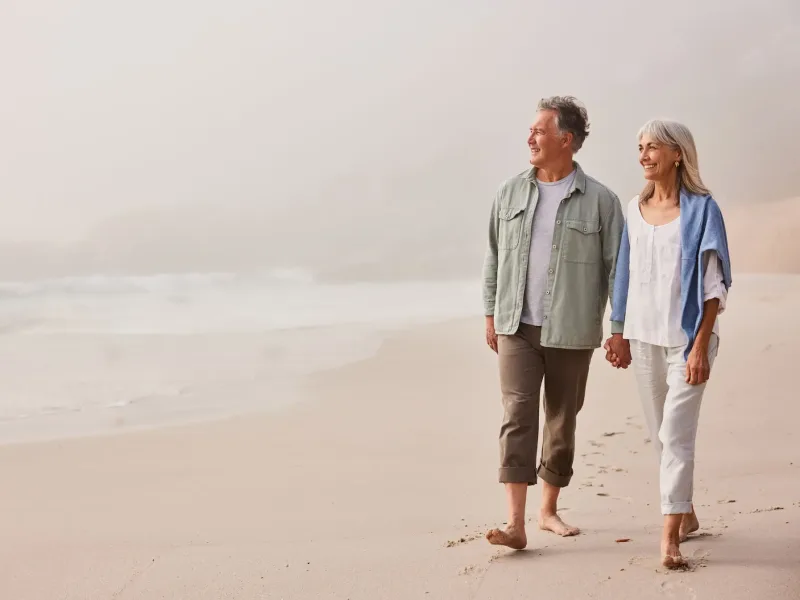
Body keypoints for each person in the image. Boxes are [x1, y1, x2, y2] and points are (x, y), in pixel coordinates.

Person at [482, 96, 625, 550]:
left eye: (539, 131)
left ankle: (547, 511)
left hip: (572, 328)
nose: (530, 138)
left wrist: (618, 328)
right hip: (515, 326)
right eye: (531, 131)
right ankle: (515, 524)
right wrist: (491, 313)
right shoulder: (509, 193)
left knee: (561, 421)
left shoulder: (602, 201)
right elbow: (494, 257)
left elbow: (617, 269)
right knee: (516, 415)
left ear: (566, 140)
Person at [604, 118, 732, 569]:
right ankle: (686, 512)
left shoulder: (702, 209)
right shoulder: (632, 208)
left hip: (687, 340)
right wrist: (617, 330)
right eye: (640, 146)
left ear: (677, 153)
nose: (643, 154)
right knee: (661, 435)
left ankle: (669, 537)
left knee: (676, 435)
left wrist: (700, 346)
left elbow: (714, 285)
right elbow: (624, 274)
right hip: (642, 338)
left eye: (652, 146)